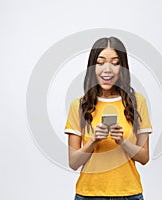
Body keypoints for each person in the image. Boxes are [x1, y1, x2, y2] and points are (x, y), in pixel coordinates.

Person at [64, 36, 152, 200]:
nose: (107, 69)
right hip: (89, 195)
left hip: (129, 194)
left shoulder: (137, 102)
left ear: (122, 67)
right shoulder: (79, 105)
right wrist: (94, 140)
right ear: (93, 66)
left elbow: (144, 157)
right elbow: (74, 162)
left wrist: (122, 142)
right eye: (101, 62)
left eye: (115, 62)